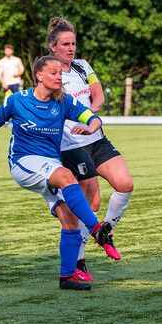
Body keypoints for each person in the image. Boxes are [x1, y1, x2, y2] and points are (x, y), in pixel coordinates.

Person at [0, 55, 116, 291]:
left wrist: (90, 127)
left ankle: (67, 277)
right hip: (24, 162)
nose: (59, 77)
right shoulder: (17, 100)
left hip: (49, 164)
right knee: (66, 176)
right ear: (39, 75)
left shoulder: (64, 102)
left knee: (70, 218)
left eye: (60, 73)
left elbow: (93, 118)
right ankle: (96, 229)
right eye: (54, 72)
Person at [47, 16, 134, 283]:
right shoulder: (51, 71)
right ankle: (79, 261)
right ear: (53, 47)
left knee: (125, 184)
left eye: (73, 43)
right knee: (90, 203)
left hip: (95, 136)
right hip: (71, 145)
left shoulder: (83, 66)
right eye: (65, 44)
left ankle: (104, 230)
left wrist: (90, 116)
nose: (71, 48)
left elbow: (98, 96)